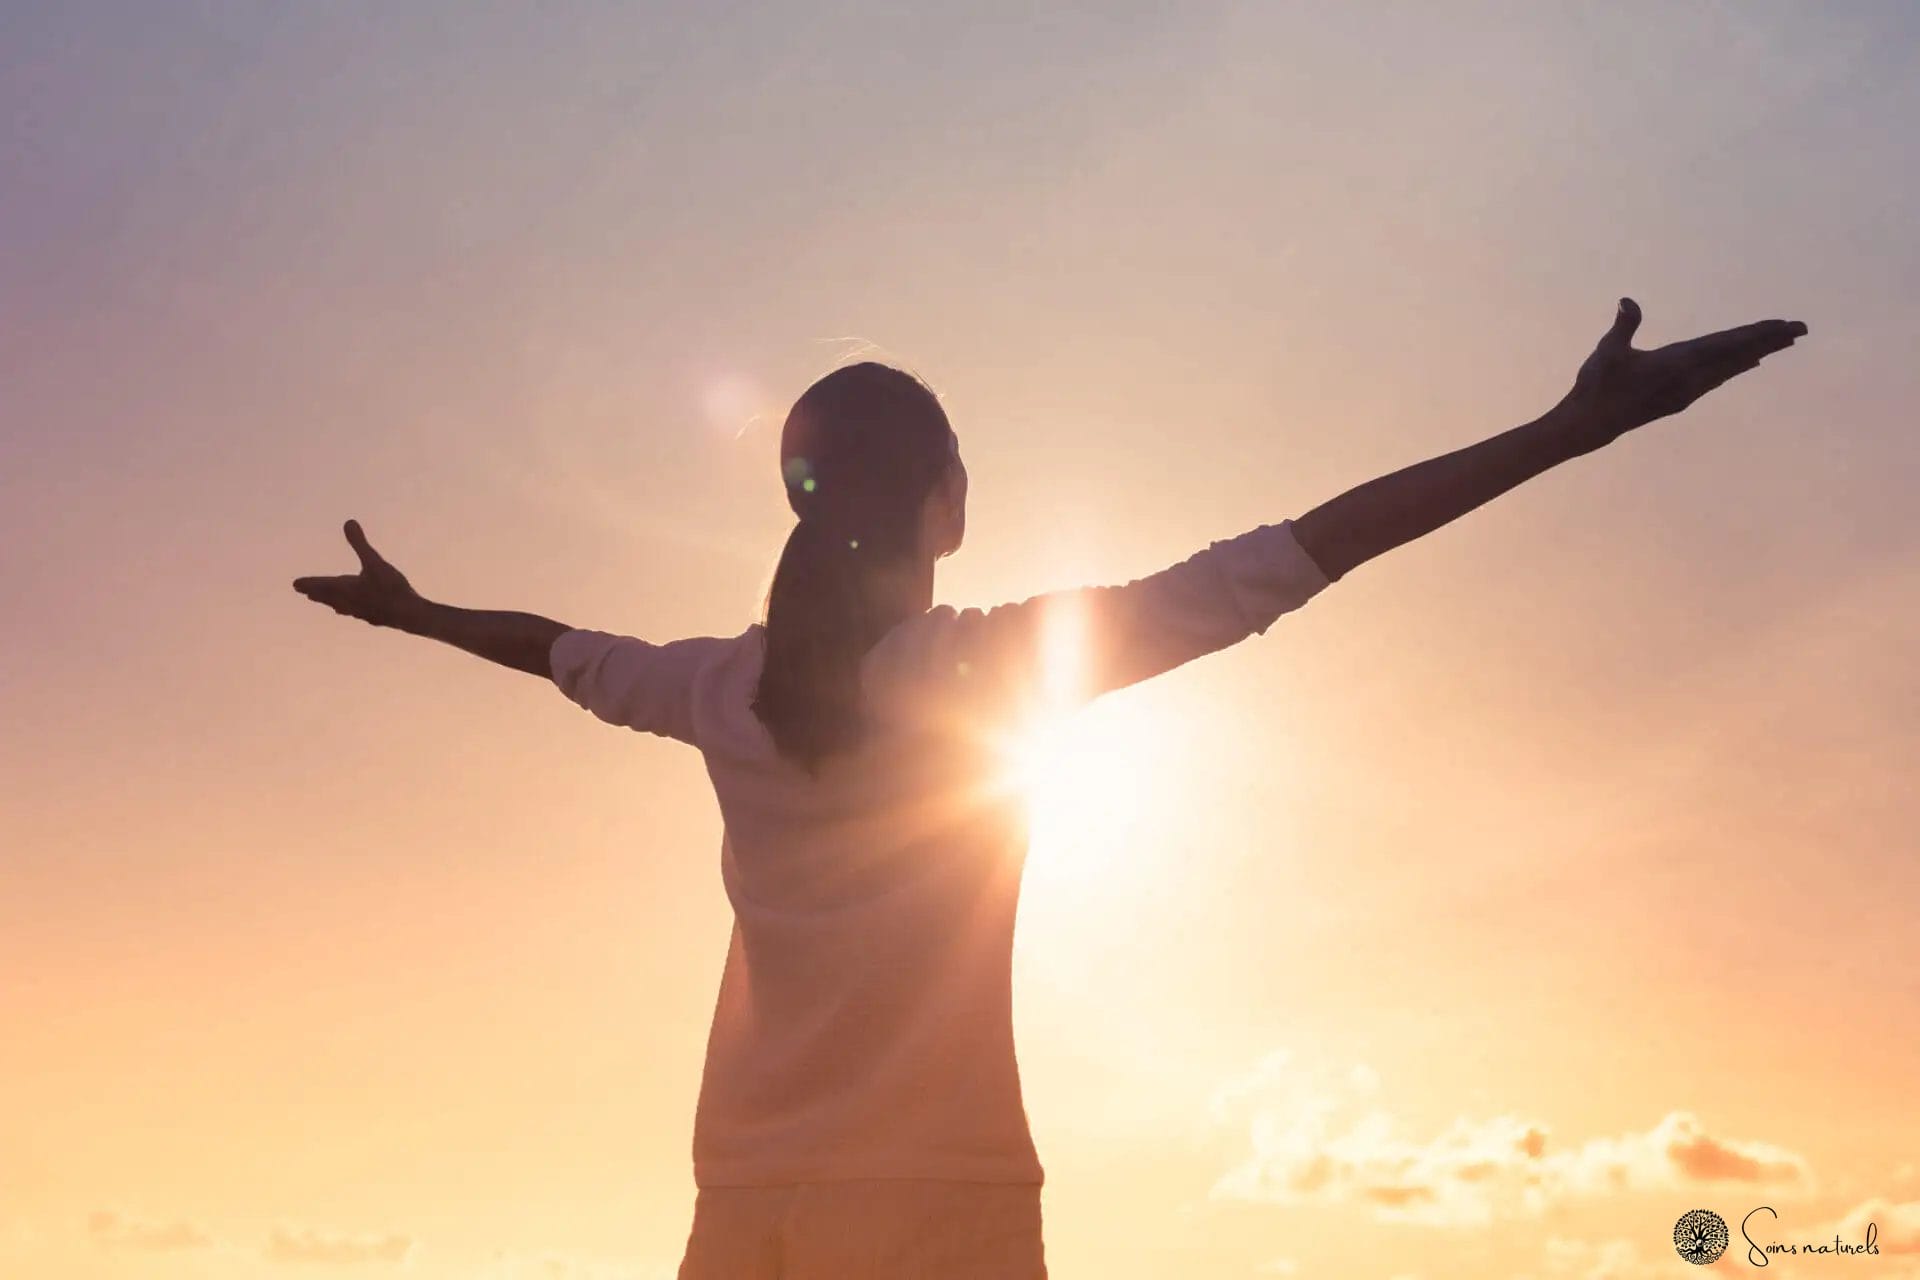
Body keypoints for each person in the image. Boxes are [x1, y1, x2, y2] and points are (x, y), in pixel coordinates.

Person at [293, 298, 1806, 1278]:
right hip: (945, 1211)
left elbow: (557, 648)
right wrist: (1570, 429)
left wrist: (416, 613)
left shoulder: (718, 690)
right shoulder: (988, 670)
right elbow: (1298, 555)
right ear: (947, 508)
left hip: (746, 1217)